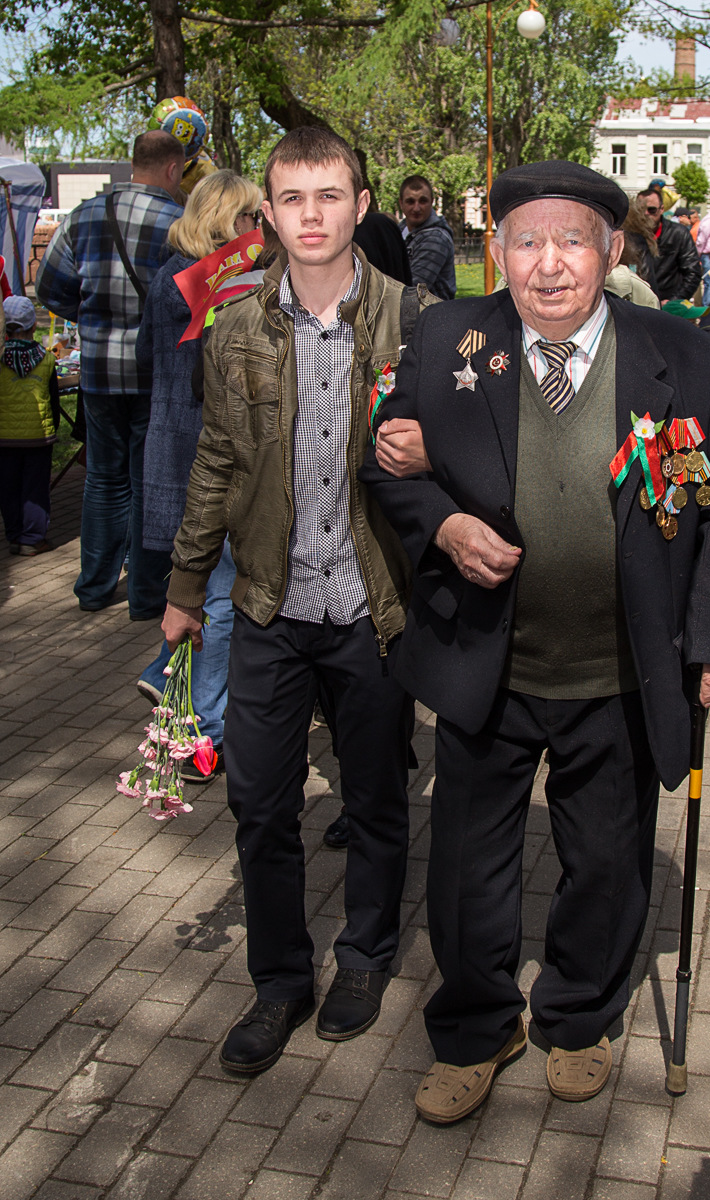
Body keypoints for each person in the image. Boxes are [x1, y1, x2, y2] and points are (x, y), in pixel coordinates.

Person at [363, 160, 710, 1122]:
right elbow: (387, 453)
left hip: (623, 667)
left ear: (611, 249)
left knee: (607, 858)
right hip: (485, 664)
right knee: (466, 867)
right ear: (495, 250)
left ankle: (578, 1014)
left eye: (572, 241)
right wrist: (442, 525)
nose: (549, 267)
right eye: (527, 242)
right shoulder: (447, 338)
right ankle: (475, 1025)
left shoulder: (684, 356)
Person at [161, 126, 437, 1075]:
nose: (312, 216)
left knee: (374, 799)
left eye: (331, 196)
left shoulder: (422, 321)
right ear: (267, 213)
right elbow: (216, 462)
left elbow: (474, 458)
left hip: (373, 605)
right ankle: (279, 981)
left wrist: (432, 455)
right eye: (294, 199)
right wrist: (187, 587)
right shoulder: (236, 326)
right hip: (273, 605)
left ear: (361, 205)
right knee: (259, 804)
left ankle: (363, 956)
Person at [135, 170, 264, 781]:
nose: (257, 230)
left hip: (170, 447)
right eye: (250, 218)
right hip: (212, 457)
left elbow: (146, 361)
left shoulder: (166, 280)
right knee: (219, 596)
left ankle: (163, 666)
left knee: (201, 587)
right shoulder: (227, 283)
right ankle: (205, 734)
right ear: (228, 220)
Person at [36, 130, 185, 618]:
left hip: (98, 371)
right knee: (148, 482)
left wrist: (92, 319)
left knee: (102, 479)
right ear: (171, 169)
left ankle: (94, 587)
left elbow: (49, 287)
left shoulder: (82, 216)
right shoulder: (178, 222)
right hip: (153, 372)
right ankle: (145, 596)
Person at [0, 296, 59, 556]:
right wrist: (53, 427)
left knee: (8, 486)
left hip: (4, 437)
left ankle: (13, 534)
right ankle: (33, 538)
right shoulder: (45, 359)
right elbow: (54, 400)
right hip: (38, 436)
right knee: (35, 487)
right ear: (33, 326)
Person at [638, 186, 702, 302]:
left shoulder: (679, 233)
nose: (646, 214)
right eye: (640, 210)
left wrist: (674, 301)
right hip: (636, 305)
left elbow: (693, 272)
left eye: (651, 210)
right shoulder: (629, 235)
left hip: (667, 304)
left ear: (661, 209)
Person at [399, 175, 456, 300]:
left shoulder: (436, 239)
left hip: (432, 315)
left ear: (432, 202)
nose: (416, 208)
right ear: (401, 203)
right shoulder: (399, 230)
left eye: (423, 201)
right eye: (410, 201)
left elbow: (413, 289)